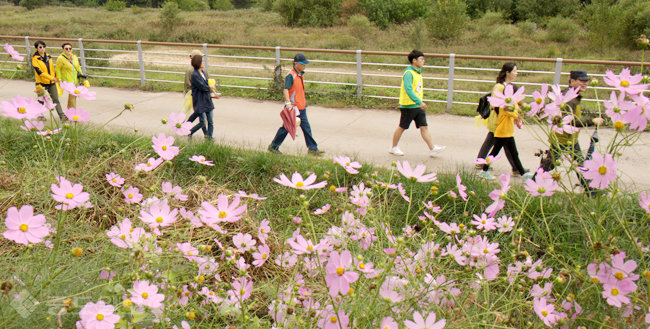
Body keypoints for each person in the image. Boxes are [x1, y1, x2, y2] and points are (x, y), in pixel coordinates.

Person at [478, 63, 533, 180]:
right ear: (507, 72)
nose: (516, 73)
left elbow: (512, 105)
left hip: (507, 127)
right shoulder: (500, 87)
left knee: (513, 152)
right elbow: (501, 108)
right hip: (501, 126)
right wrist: (516, 114)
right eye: (515, 71)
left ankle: (522, 173)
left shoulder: (509, 87)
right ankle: (483, 169)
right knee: (495, 152)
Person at [389, 49, 445, 157]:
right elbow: (408, 89)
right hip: (409, 106)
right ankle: (393, 147)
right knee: (402, 126)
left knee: (424, 127)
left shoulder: (417, 73)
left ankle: (432, 148)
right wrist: (419, 102)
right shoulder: (409, 73)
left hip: (417, 106)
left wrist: (419, 103)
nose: (423, 61)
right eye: (421, 59)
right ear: (414, 60)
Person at [542, 70, 592, 191]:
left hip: (569, 137)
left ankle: (591, 190)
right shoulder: (569, 98)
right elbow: (571, 121)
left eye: (586, 81)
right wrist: (592, 121)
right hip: (563, 138)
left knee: (580, 164)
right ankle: (533, 183)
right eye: (582, 81)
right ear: (572, 81)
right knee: (550, 165)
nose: (585, 83)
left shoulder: (572, 95)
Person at [268, 53, 324, 156]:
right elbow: (286, 90)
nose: (304, 66)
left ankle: (312, 148)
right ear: (296, 64)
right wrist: (288, 104)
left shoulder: (300, 75)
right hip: (293, 108)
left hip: (301, 108)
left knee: (306, 128)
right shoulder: (291, 75)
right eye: (303, 64)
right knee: (286, 128)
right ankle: (273, 146)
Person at [32, 40, 65, 121]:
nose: (42, 49)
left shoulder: (48, 57)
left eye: (44, 47)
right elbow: (40, 72)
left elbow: (52, 69)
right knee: (41, 100)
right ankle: (39, 115)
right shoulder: (35, 59)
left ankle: (62, 115)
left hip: (51, 82)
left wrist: (55, 77)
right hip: (41, 83)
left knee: (55, 99)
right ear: (36, 48)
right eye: (40, 47)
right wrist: (51, 77)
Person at [188, 55, 214, 140]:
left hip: (207, 100)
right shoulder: (195, 75)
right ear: (198, 63)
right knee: (202, 122)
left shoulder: (203, 73)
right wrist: (210, 88)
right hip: (200, 101)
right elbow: (202, 86)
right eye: (202, 61)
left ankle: (209, 137)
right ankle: (190, 132)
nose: (204, 62)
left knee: (210, 121)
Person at [184, 49, 208, 136]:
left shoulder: (201, 69)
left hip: (199, 95)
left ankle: (185, 126)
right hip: (194, 96)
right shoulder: (191, 70)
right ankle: (206, 134)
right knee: (201, 116)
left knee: (198, 113)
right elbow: (188, 84)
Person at [55, 43, 86, 111]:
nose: (68, 50)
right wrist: (59, 79)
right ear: (63, 50)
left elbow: (78, 67)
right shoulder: (61, 58)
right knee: (73, 96)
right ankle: (73, 113)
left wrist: (82, 76)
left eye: (70, 48)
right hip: (68, 81)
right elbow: (58, 69)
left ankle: (69, 111)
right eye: (66, 49)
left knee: (72, 97)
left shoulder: (74, 57)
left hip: (75, 80)